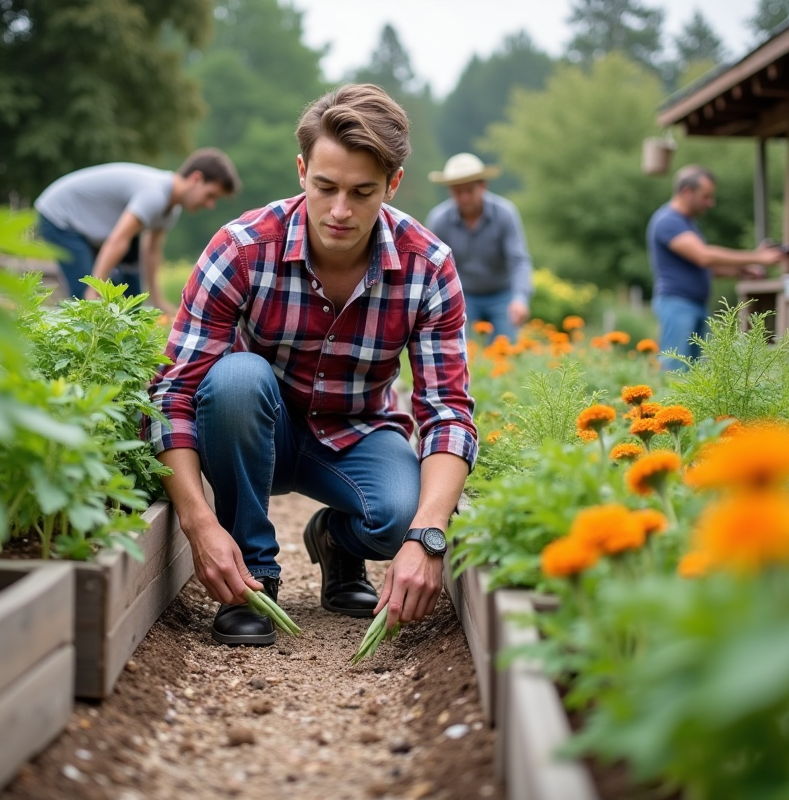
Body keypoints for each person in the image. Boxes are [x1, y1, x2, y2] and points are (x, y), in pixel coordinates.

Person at [145, 84, 477, 647]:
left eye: (362, 191)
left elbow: (447, 413)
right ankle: (252, 575)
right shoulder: (243, 248)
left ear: (392, 184)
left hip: (357, 431)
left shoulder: (428, 267)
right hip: (252, 430)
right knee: (233, 379)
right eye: (325, 187)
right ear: (302, 170)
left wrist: (427, 536)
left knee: (404, 516)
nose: (341, 211)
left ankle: (340, 543)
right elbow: (171, 395)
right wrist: (198, 524)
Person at [34, 149, 241, 311]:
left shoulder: (171, 209)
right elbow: (118, 240)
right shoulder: (155, 194)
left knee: (131, 299)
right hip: (61, 216)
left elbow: (151, 252)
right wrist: (95, 290)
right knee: (85, 300)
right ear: (196, 179)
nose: (210, 205)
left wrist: (157, 299)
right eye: (210, 195)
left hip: (97, 229)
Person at [647, 165, 787, 370]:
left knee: (695, 375)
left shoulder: (688, 224)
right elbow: (703, 256)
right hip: (677, 305)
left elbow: (703, 267)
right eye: (706, 196)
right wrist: (758, 256)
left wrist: (740, 271)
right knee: (675, 370)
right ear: (687, 192)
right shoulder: (668, 221)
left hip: (693, 305)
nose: (710, 203)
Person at [425, 153, 533, 343]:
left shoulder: (505, 214)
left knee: (507, 351)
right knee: (460, 352)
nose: (465, 197)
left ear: (483, 186)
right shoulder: (439, 220)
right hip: (461, 296)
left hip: (502, 295)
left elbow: (518, 261)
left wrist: (520, 299)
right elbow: (430, 268)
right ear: (450, 191)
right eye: (458, 192)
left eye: (470, 190)